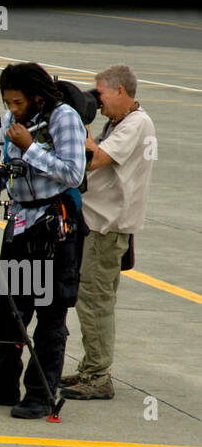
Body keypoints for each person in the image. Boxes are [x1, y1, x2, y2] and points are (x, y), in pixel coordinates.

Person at [0, 62, 88, 418]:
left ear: (36, 96)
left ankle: (40, 394)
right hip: (19, 220)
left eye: (17, 102)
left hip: (54, 225)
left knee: (49, 313)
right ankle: (1, 384)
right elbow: (6, 167)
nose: (11, 109)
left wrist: (31, 147)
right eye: (7, 102)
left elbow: (74, 173)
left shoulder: (64, 119)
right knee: (11, 310)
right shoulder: (11, 120)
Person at [61, 65, 156, 401]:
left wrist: (79, 121)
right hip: (98, 224)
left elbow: (92, 158)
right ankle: (91, 368)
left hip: (106, 228)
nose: (96, 100)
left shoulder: (136, 123)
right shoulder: (119, 121)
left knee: (94, 301)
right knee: (91, 299)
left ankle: (98, 376)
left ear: (120, 91)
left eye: (99, 93)